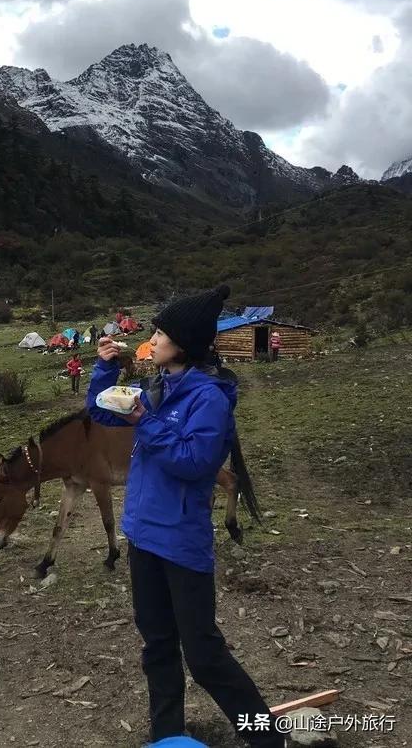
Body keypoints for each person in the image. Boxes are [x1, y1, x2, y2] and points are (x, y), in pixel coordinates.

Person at [86, 286, 285, 748]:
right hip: (143, 536)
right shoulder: (159, 387)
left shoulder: (209, 399)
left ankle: (270, 739)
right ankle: (167, 737)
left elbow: (195, 463)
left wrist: (145, 422)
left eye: (160, 333)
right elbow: (103, 412)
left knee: (203, 654)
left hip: (180, 542)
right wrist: (104, 368)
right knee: (156, 645)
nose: (151, 341)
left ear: (184, 344)